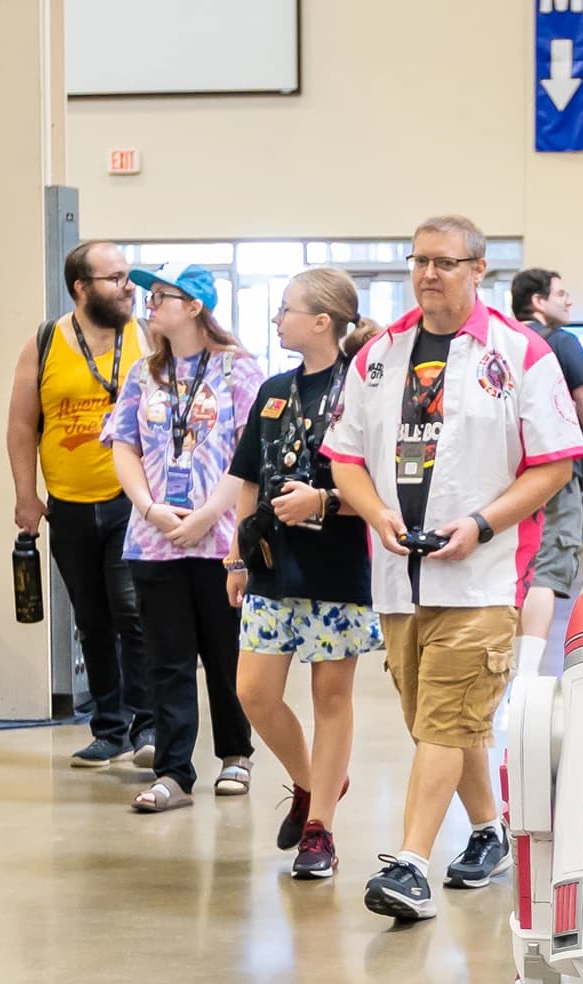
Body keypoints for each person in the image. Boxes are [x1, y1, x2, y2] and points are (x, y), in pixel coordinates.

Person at [324, 214, 583, 922]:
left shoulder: (521, 353)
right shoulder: (378, 355)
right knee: (441, 720)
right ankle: (493, 832)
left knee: (443, 719)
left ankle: (411, 866)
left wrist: (481, 525)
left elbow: (555, 463)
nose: (429, 273)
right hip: (397, 578)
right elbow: (344, 455)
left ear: (478, 270)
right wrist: (375, 512)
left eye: (445, 262)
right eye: (419, 261)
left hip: (483, 577)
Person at [225, 268, 383, 876]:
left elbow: (380, 489)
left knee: (330, 697)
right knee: (254, 694)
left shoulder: (361, 394)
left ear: (322, 321)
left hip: (336, 567)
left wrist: (325, 502)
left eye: (286, 309)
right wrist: (236, 556)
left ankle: (320, 829)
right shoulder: (273, 390)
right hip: (270, 565)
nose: (276, 319)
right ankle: (313, 783)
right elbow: (247, 481)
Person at [104, 263, 262, 813]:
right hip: (154, 540)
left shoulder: (237, 369)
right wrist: (148, 507)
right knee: (166, 661)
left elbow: (250, 456)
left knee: (224, 655)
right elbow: (122, 443)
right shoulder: (143, 372)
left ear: (194, 306)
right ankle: (174, 772)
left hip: (219, 539)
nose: (149, 305)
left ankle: (236, 754)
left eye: (161, 297)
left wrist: (207, 514)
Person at [6, 240, 154, 769]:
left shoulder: (147, 337)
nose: (127, 286)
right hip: (67, 503)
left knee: (132, 611)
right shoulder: (45, 342)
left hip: (133, 501)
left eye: (126, 276)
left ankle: (147, 724)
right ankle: (108, 727)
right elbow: (22, 424)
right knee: (91, 620)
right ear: (81, 288)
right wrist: (27, 495)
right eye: (113, 278)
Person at [507, 266, 583, 674]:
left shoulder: (499, 341)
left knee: (508, 566)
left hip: (502, 477)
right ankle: (526, 675)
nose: (569, 301)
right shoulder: (561, 342)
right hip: (552, 472)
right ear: (538, 302)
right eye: (561, 294)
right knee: (547, 567)